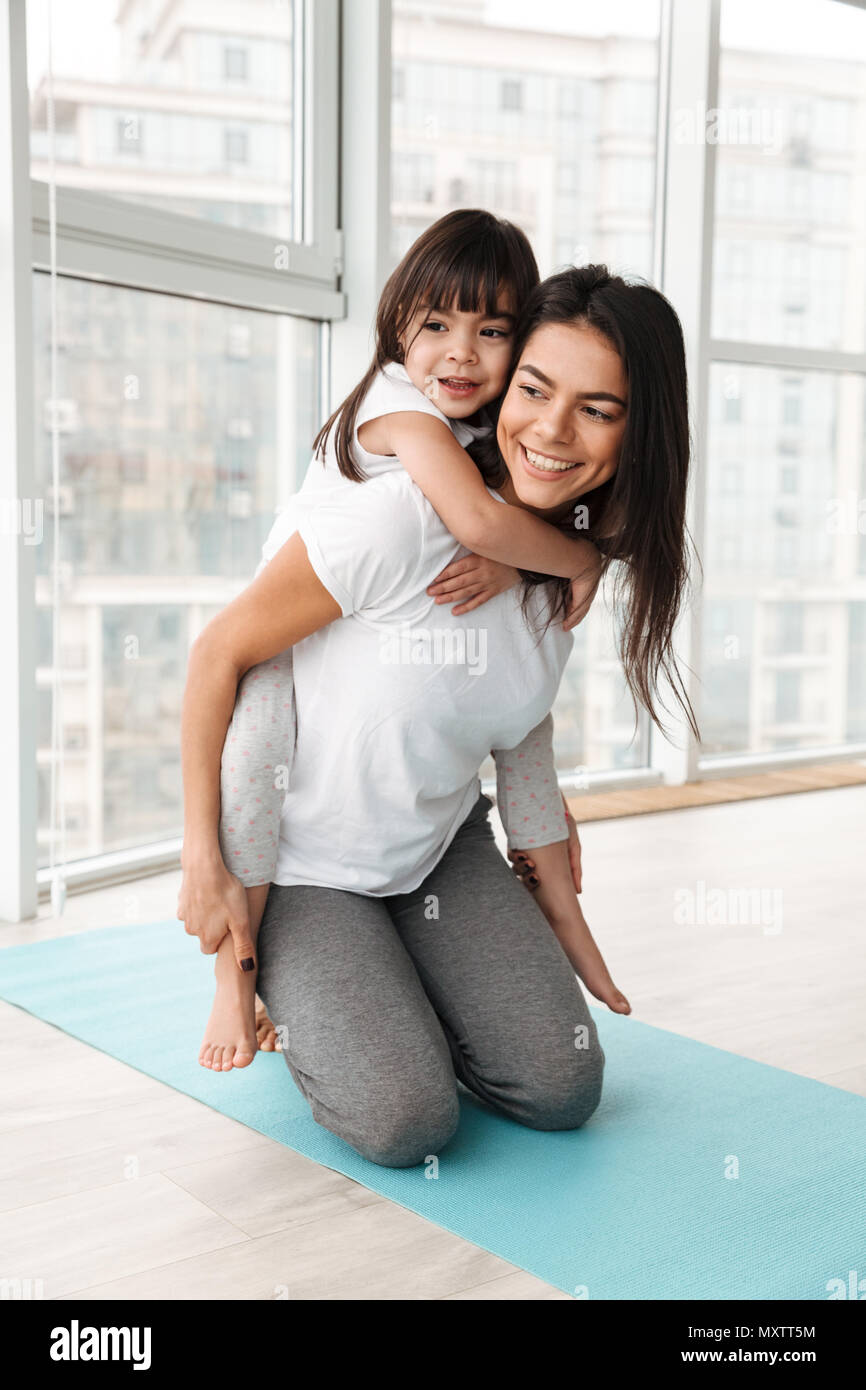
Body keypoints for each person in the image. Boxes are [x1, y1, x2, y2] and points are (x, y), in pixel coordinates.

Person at [178, 262, 699, 1168]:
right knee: (406, 1120)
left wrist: (565, 915)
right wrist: (200, 854)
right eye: (534, 390)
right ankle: (300, 994)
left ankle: (388, 983)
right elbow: (219, 653)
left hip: (434, 851)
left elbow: (520, 734)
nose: (552, 430)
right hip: (304, 870)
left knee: (562, 1087)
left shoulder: (565, 569)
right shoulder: (399, 519)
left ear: (639, 433)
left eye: (597, 410)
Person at [191, 210, 604, 1072]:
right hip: (279, 642)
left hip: (417, 815)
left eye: (492, 332)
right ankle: (237, 978)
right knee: (257, 771)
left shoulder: (480, 433)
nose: (461, 354)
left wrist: (518, 564)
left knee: (556, 1077)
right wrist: (575, 557)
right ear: (397, 328)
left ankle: (400, 979)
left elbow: (490, 518)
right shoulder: (402, 409)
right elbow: (474, 520)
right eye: (436, 326)